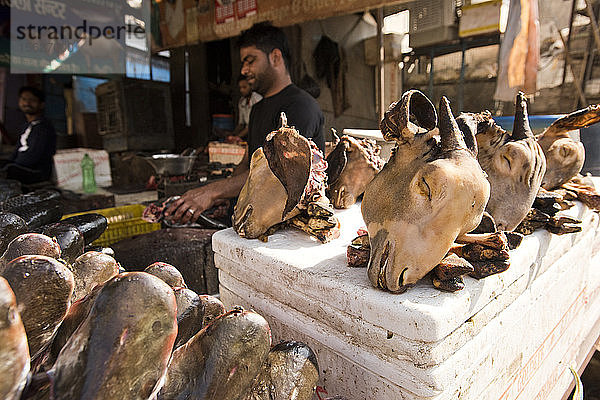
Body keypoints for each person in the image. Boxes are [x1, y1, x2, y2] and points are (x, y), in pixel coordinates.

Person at [166, 22, 325, 224]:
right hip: (259, 219)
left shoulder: (301, 105)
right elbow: (248, 161)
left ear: (275, 57)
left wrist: (212, 192)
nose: (244, 70)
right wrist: (228, 195)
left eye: (250, 61)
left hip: (293, 224)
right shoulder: (258, 109)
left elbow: (279, 175)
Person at [0, 86, 56, 184]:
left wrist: (11, 166)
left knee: (8, 170)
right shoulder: (27, 126)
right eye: (24, 99)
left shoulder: (43, 128)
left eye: (32, 100)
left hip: (35, 172)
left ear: (41, 104)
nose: (27, 103)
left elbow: (32, 158)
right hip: (19, 167)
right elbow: (16, 152)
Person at [230, 75, 262, 140]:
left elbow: (253, 126)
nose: (241, 90)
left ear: (251, 86)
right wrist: (232, 134)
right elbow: (241, 124)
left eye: (244, 87)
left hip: (258, 135)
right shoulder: (242, 101)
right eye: (240, 88)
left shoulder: (257, 99)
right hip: (248, 135)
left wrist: (238, 137)